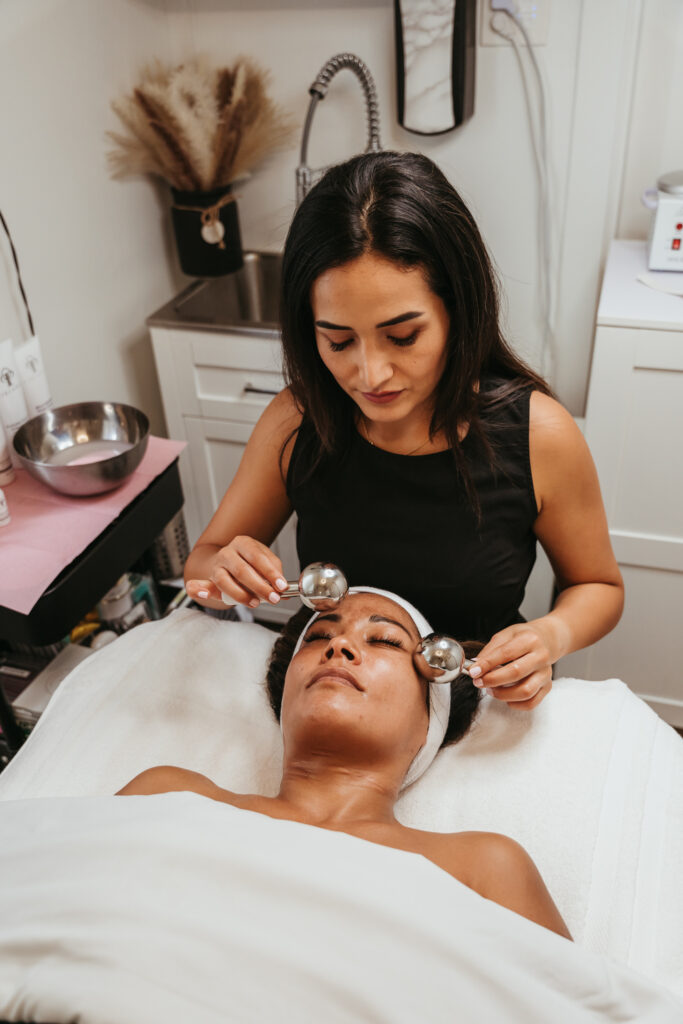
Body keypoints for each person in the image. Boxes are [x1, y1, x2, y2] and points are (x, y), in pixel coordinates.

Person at [184, 150, 624, 710]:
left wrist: (550, 635)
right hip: (333, 696)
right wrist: (222, 572)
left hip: (474, 702)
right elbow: (203, 562)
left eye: (403, 336)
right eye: (338, 342)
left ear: (457, 311)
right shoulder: (299, 420)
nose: (370, 374)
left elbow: (599, 588)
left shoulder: (538, 434)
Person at [118, 588, 571, 940]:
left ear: (428, 720)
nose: (339, 647)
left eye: (385, 641)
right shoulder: (166, 794)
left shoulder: (484, 867)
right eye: (318, 637)